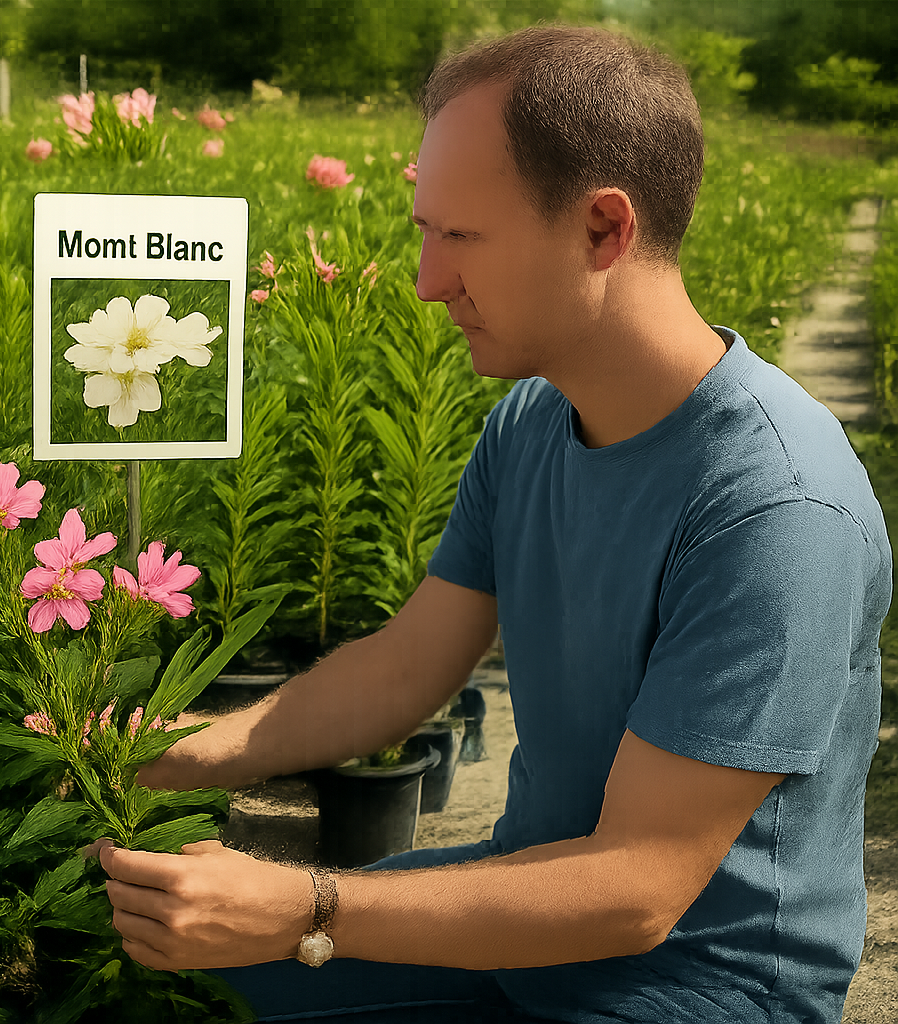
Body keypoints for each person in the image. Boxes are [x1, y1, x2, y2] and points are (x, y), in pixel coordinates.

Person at [85, 24, 893, 1024]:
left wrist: (309, 904)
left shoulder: (775, 503)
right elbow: (403, 669)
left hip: (697, 986)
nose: (427, 281)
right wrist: (163, 748)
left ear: (604, 230)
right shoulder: (532, 420)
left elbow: (639, 886)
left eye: (459, 238)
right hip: (528, 920)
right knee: (165, 987)